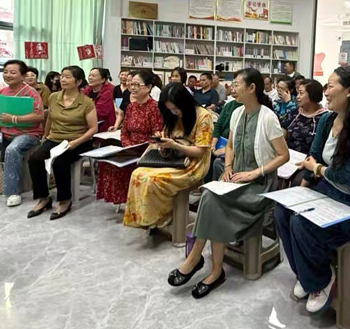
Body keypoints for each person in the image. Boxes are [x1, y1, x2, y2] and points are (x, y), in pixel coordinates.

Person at [167, 68, 288, 298]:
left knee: (212, 200)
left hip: (259, 185)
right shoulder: (236, 112)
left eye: (237, 84)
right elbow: (230, 145)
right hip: (236, 179)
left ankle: (197, 260)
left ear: (252, 88)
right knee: (211, 197)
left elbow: (284, 156)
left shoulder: (268, 117)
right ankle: (214, 270)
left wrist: (255, 173)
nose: (232, 87)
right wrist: (229, 167)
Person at [275, 66, 350, 311]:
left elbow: (349, 177)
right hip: (324, 191)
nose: (326, 91)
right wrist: (302, 188)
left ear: (349, 91)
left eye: (331, 86)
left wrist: (318, 169)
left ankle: (321, 280)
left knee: (301, 223)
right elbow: (312, 157)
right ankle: (305, 274)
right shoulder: (326, 120)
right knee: (282, 211)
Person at [124, 82, 213, 229]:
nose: (174, 112)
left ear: (185, 103)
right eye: (170, 109)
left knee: (152, 179)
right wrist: (162, 139)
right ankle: (147, 218)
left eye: (176, 109)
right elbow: (168, 135)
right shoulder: (171, 115)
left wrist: (175, 145)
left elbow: (200, 151)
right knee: (137, 174)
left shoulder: (203, 116)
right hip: (172, 158)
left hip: (193, 163)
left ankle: (161, 217)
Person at [27, 65, 97, 220]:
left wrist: (76, 142)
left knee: (60, 162)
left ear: (78, 81)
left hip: (78, 141)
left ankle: (65, 200)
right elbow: (50, 119)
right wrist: (45, 137)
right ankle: (43, 198)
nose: (63, 79)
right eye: (62, 76)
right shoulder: (54, 97)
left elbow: (93, 128)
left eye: (67, 77)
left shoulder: (86, 102)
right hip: (55, 138)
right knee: (35, 159)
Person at [0, 60, 44, 207]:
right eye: (5, 72)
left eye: (12, 72)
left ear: (23, 76)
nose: (8, 75)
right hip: (2, 132)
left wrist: (14, 119)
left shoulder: (31, 93)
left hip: (27, 134)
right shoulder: (0, 92)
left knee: (12, 149)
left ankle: (13, 192)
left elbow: (39, 116)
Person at [96, 70, 163, 205]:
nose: (132, 88)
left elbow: (157, 135)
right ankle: (124, 199)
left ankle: (135, 201)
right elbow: (124, 131)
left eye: (137, 85)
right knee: (107, 162)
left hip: (146, 149)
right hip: (129, 147)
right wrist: (127, 145)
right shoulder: (131, 107)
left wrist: (136, 147)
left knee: (126, 166)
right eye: (131, 84)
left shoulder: (155, 107)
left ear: (148, 87)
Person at [282, 79, 327, 155]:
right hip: (290, 156)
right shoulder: (293, 113)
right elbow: (282, 136)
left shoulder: (324, 117)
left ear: (312, 95)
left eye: (301, 93)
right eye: (298, 93)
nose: (297, 97)